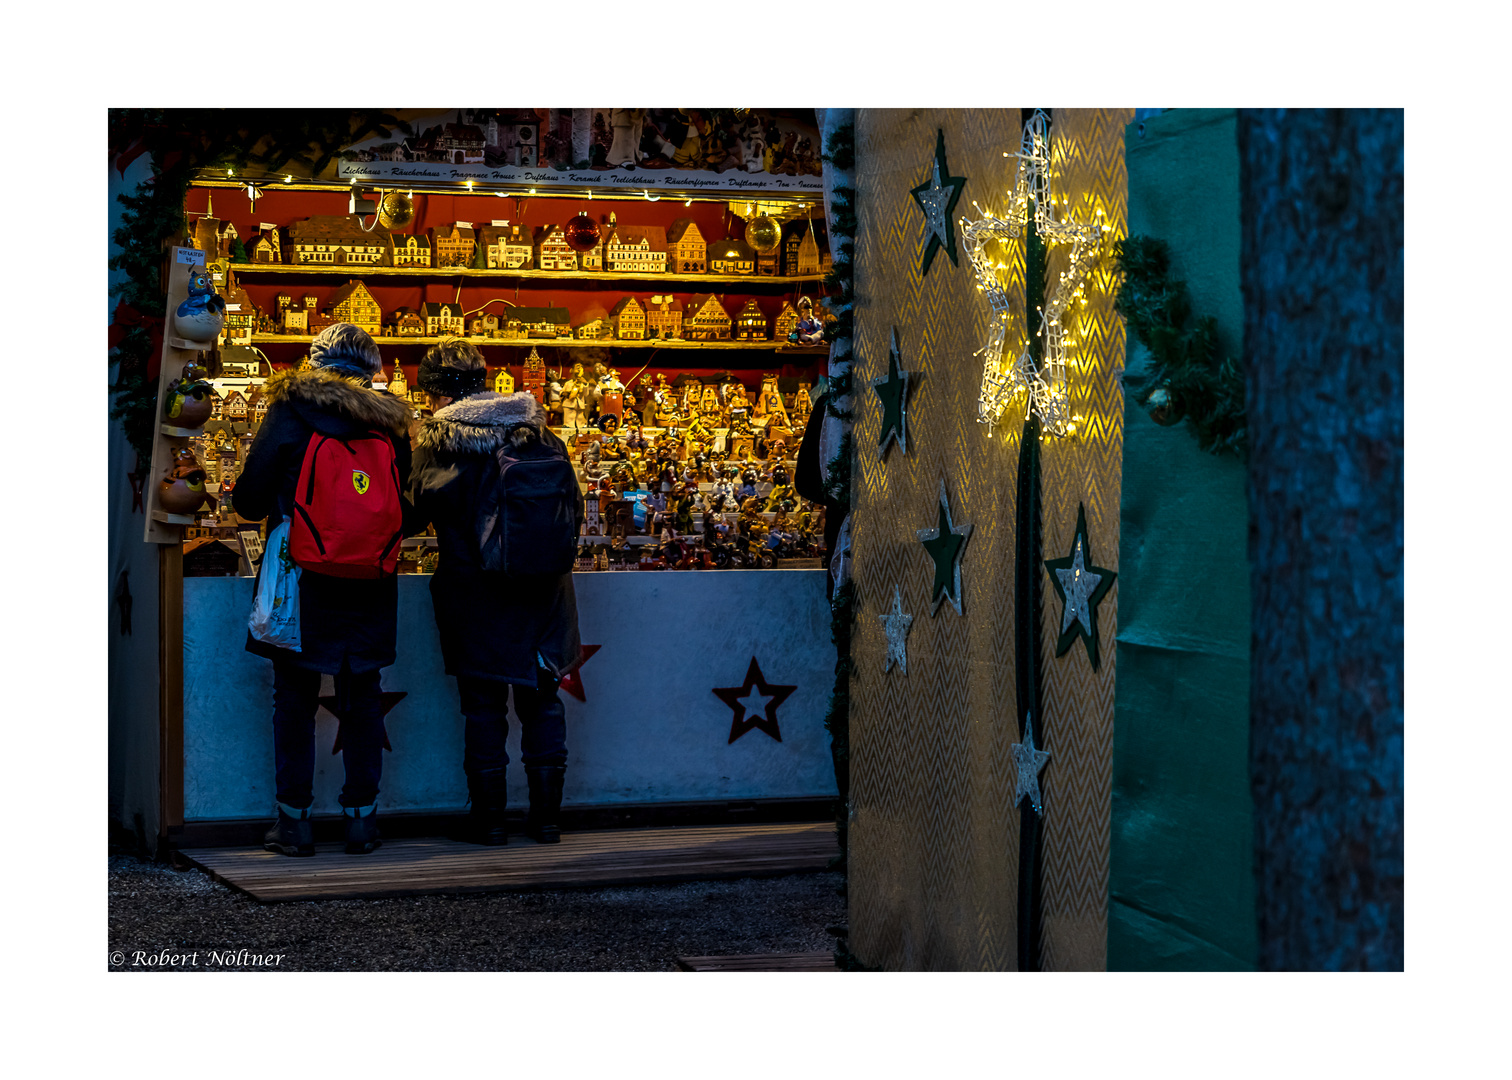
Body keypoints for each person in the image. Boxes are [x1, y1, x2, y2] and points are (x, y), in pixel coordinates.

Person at [234, 323, 413, 857]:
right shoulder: (391, 424)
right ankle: (361, 821)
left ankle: (294, 823)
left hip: (301, 575)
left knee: (293, 696)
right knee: (363, 694)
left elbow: (247, 499)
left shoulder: (291, 412)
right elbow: (407, 505)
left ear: (316, 362)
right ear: (372, 367)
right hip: (371, 577)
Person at [408, 339, 584, 845]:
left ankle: (489, 824)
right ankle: (547, 821)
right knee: (543, 700)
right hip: (544, 590)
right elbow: (570, 504)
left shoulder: (441, 443)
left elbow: (412, 509)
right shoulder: (542, 434)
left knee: (483, 707)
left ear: (437, 393)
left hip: (476, 593)